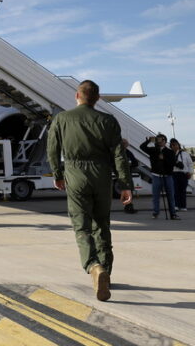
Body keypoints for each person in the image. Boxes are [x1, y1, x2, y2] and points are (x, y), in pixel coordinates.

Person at [47, 79, 133, 302]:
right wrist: (125, 184)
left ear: (77, 96)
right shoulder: (108, 121)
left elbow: (52, 149)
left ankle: (94, 266)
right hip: (102, 174)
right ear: (98, 98)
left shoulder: (62, 119)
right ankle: (106, 272)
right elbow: (118, 154)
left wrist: (57, 174)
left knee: (81, 226)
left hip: (75, 174)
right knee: (102, 224)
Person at [139, 134, 180, 220]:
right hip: (156, 176)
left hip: (167, 176)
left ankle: (173, 213)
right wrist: (148, 141)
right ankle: (155, 212)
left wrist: (163, 158)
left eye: (161, 140)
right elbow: (142, 147)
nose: (160, 142)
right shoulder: (153, 150)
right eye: (158, 140)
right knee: (155, 196)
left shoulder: (170, 152)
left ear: (165, 141)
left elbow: (172, 163)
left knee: (170, 196)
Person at [171, 138, 193, 211]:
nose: (174, 146)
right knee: (175, 190)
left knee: (182, 191)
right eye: (172, 145)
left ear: (178, 145)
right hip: (173, 174)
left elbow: (190, 164)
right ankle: (176, 205)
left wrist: (190, 172)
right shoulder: (170, 154)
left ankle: (183, 206)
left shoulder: (184, 154)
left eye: (176, 144)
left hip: (183, 174)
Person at [121, 143, 138, 214]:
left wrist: (130, 164)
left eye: (126, 144)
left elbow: (135, 163)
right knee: (126, 190)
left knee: (130, 190)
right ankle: (127, 207)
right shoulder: (119, 152)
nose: (125, 145)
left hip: (128, 174)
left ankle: (129, 206)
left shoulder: (128, 152)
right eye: (124, 144)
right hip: (122, 174)